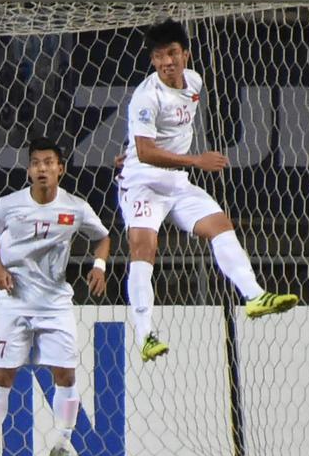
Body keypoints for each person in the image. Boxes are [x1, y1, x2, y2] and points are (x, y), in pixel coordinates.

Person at [120, 19, 296, 362]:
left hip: (176, 183)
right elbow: (144, 152)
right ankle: (144, 335)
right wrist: (195, 160)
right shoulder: (146, 96)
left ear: (185, 53)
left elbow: (153, 138)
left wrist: (176, 161)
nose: (167, 62)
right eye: (159, 57)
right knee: (144, 246)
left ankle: (254, 296)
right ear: (153, 61)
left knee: (220, 225)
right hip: (142, 184)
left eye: (172, 53)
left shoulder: (195, 82)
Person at [0, 138, 110, 456]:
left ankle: (62, 447)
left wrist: (99, 266)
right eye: (36, 163)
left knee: (65, 375)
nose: (42, 169)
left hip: (55, 303)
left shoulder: (76, 208)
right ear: (28, 170)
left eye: (48, 163)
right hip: (15, 300)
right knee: (3, 374)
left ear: (60, 169)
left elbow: (103, 236)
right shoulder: (8, 205)